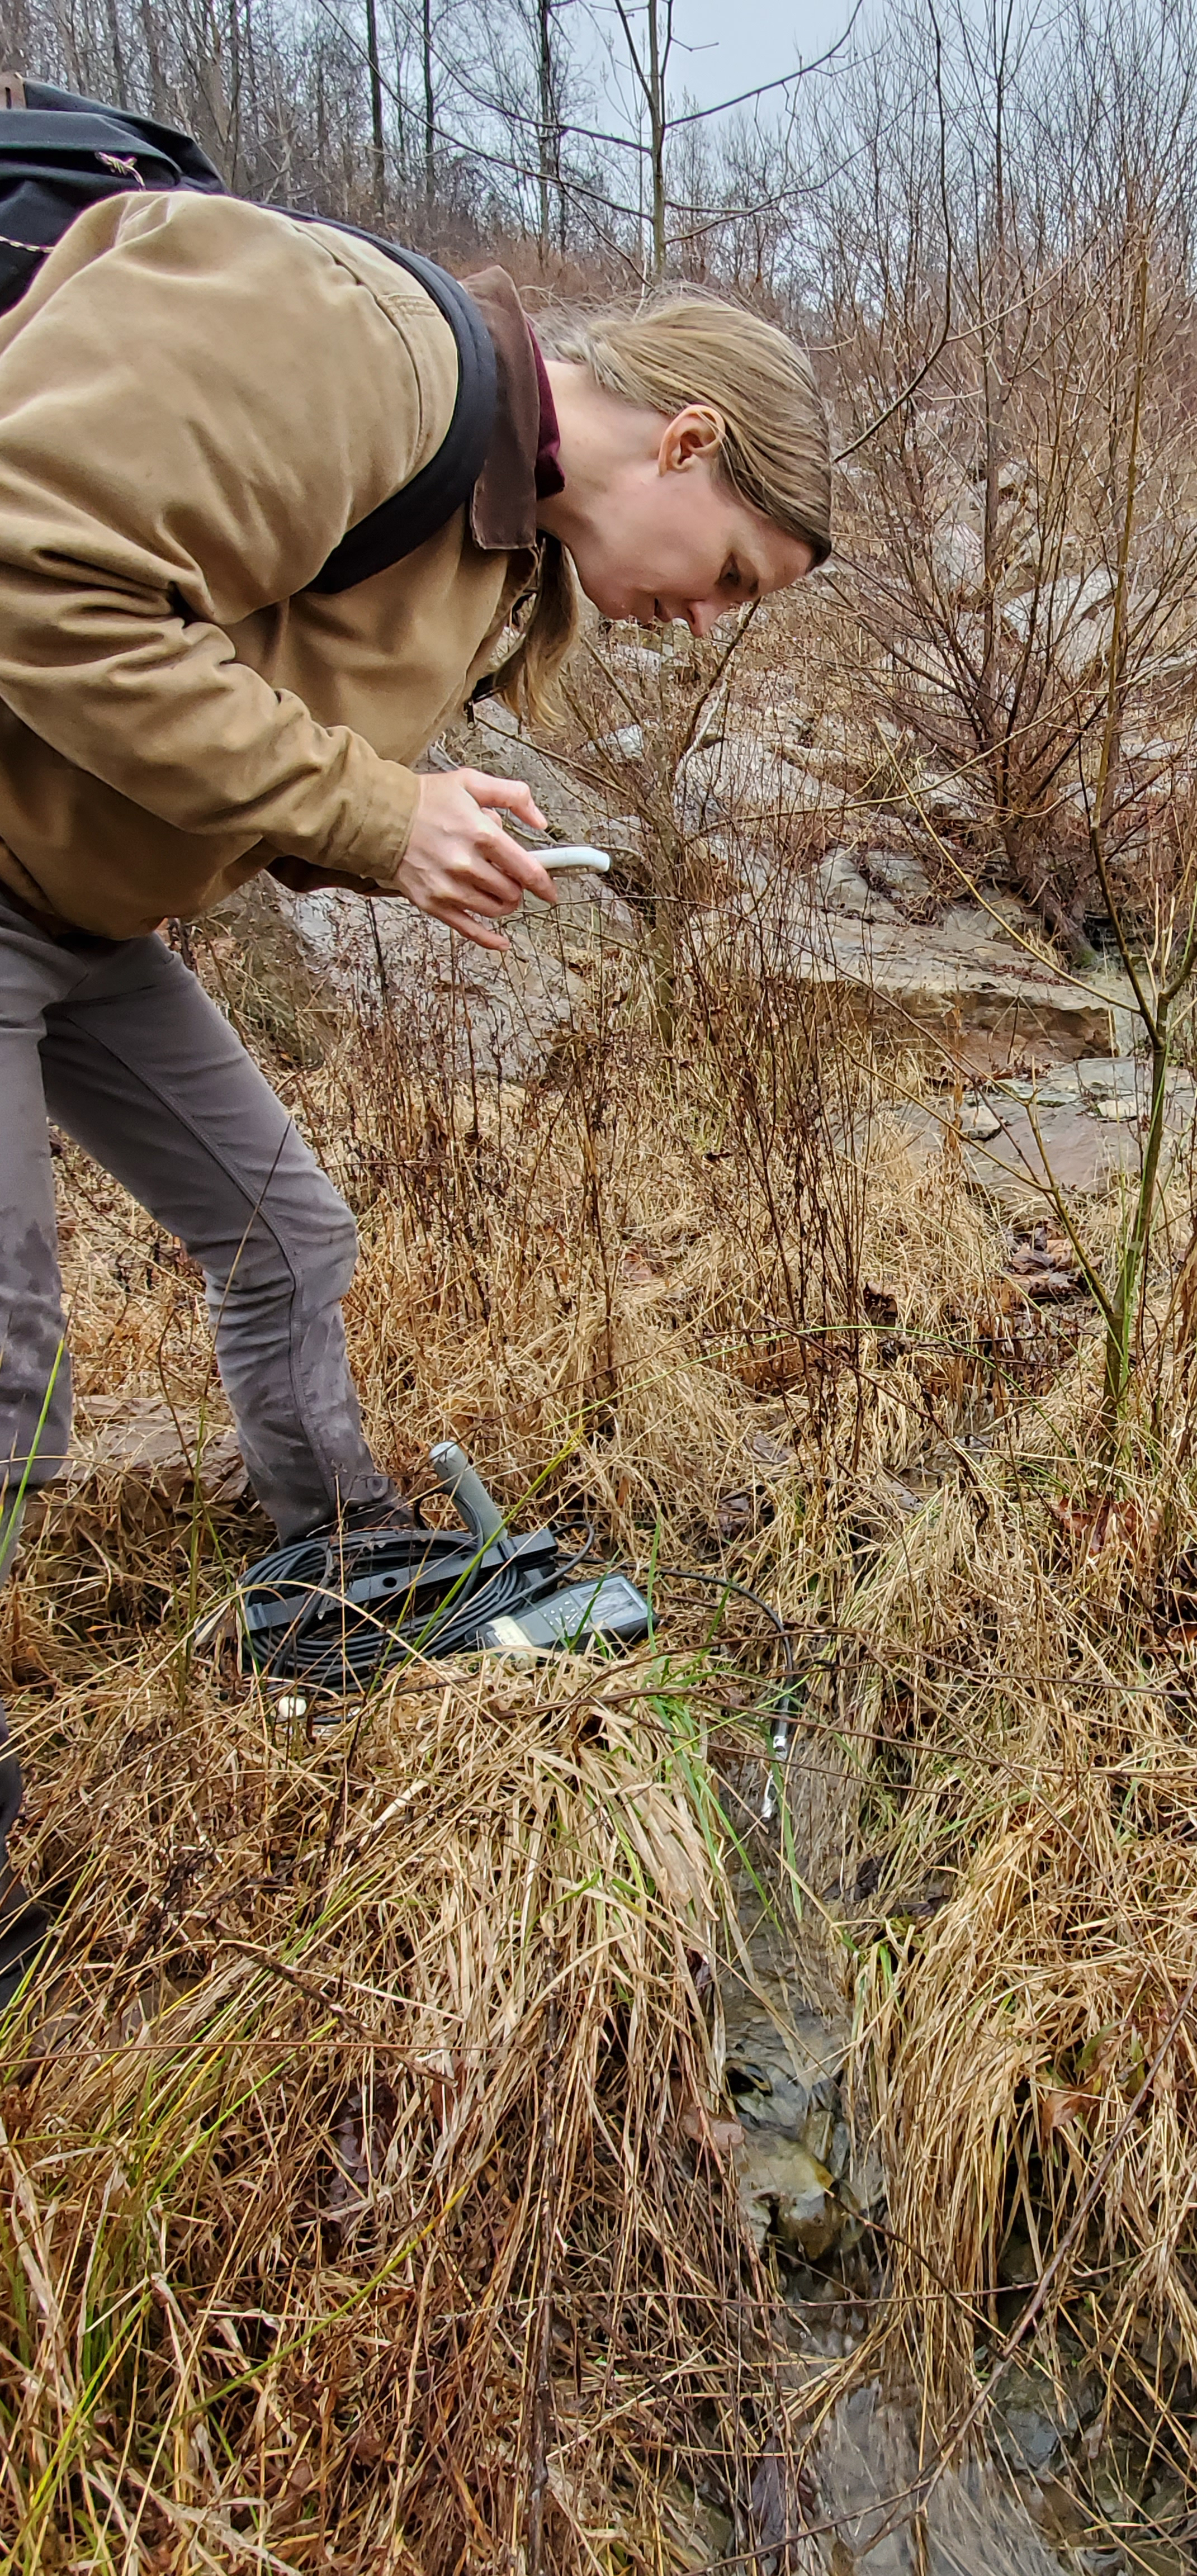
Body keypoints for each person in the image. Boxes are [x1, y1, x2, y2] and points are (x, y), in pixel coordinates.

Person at [0, 188, 833, 2004]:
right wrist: (379, 813)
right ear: (686, 443)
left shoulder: (494, 547)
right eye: (735, 577)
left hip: (72, 909)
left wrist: (407, 837)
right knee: (8, 1355)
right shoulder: (356, 346)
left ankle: (339, 1566)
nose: (705, 624)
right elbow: (31, 568)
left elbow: (250, 693)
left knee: (287, 1233)